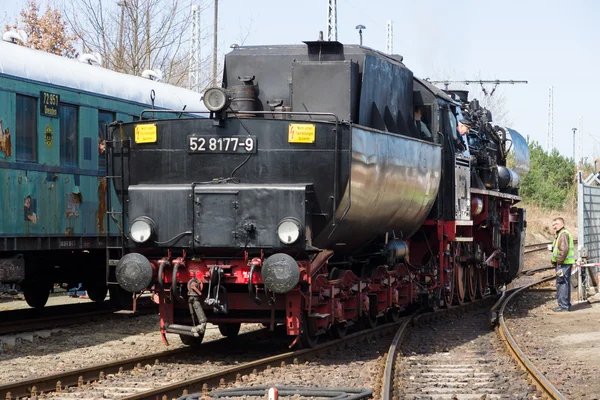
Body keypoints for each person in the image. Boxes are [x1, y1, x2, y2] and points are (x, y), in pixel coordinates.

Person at [550, 217, 575, 312]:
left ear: (562, 224)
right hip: (565, 263)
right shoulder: (561, 234)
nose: (554, 226)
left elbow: (564, 250)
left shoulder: (563, 234)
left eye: (556, 224)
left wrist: (559, 262)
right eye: (553, 225)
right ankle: (566, 304)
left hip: (563, 264)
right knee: (565, 283)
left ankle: (563, 306)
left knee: (561, 283)